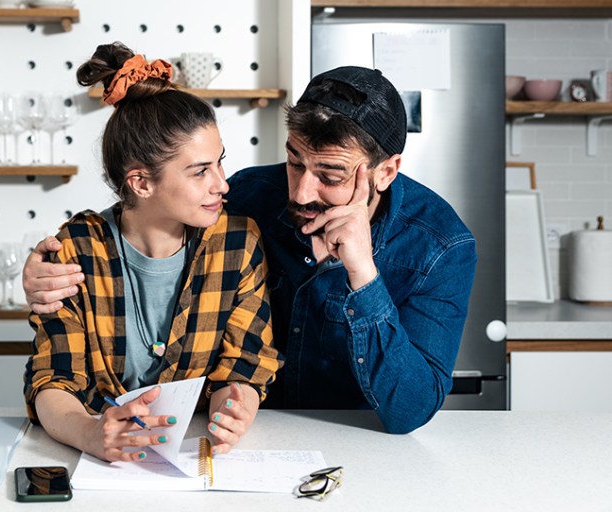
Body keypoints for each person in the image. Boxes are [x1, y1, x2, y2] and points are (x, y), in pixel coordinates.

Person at [23, 65, 477, 435]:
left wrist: (363, 274)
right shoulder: (249, 196)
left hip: (360, 442)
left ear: (386, 171)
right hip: (251, 438)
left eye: (331, 177)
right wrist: (50, 265)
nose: (300, 192)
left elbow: (411, 412)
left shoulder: (441, 247)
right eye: (295, 161)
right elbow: (150, 209)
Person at [24, 42, 283, 463]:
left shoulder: (237, 241)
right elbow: (53, 380)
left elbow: (244, 364)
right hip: (92, 459)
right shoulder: (75, 248)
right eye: (201, 171)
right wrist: (91, 434)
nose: (222, 184)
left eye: (219, 163)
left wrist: (235, 411)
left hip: (190, 453)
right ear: (141, 183)